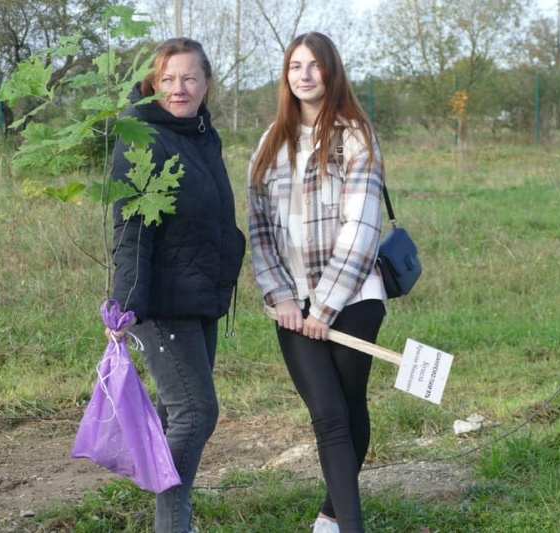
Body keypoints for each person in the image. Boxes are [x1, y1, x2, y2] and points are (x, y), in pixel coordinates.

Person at [248, 32, 386, 533]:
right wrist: (281, 296)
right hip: (290, 306)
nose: (303, 75)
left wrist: (324, 307)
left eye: (314, 66)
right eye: (294, 66)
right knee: (326, 414)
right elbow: (259, 227)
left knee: (349, 406)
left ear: (331, 72)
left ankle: (335, 516)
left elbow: (363, 227)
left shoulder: (355, 136)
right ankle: (349, 524)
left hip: (353, 299)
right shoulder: (271, 142)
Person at [107, 37, 246, 533]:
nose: (179, 88)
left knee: (175, 414)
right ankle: (173, 520)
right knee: (196, 413)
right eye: (167, 79)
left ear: (206, 83)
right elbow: (130, 231)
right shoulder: (142, 136)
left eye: (189, 77)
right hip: (162, 303)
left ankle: (167, 514)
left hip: (201, 297)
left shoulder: (203, 136)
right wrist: (124, 305)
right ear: (152, 84)